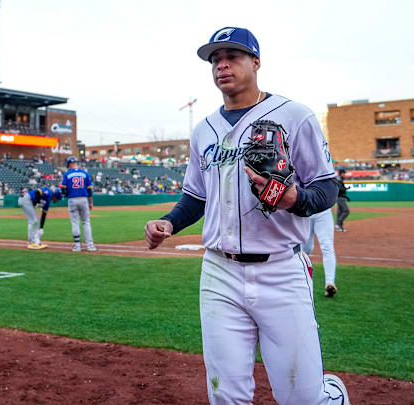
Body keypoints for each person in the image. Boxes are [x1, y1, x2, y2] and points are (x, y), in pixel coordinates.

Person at [144, 27, 349, 404]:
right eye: (214, 60)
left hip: (280, 271)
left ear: (255, 62)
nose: (221, 65)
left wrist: (292, 199)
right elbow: (196, 196)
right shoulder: (204, 130)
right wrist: (169, 223)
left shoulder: (294, 115)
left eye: (232, 56)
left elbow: (326, 187)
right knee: (226, 397)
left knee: (301, 399)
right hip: (219, 272)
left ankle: (331, 396)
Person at [60, 156, 96, 252]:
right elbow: (90, 190)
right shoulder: (85, 173)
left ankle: (77, 246)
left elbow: (63, 189)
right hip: (84, 199)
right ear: (76, 163)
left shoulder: (67, 174)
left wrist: (67, 193)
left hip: (72, 199)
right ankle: (90, 245)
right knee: (86, 222)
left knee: (75, 222)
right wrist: (91, 202)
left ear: (69, 164)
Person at [302, 208, 338, 298]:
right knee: (306, 249)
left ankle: (330, 284)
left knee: (327, 246)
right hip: (304, 211)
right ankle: (300, 279)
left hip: (323, 211)